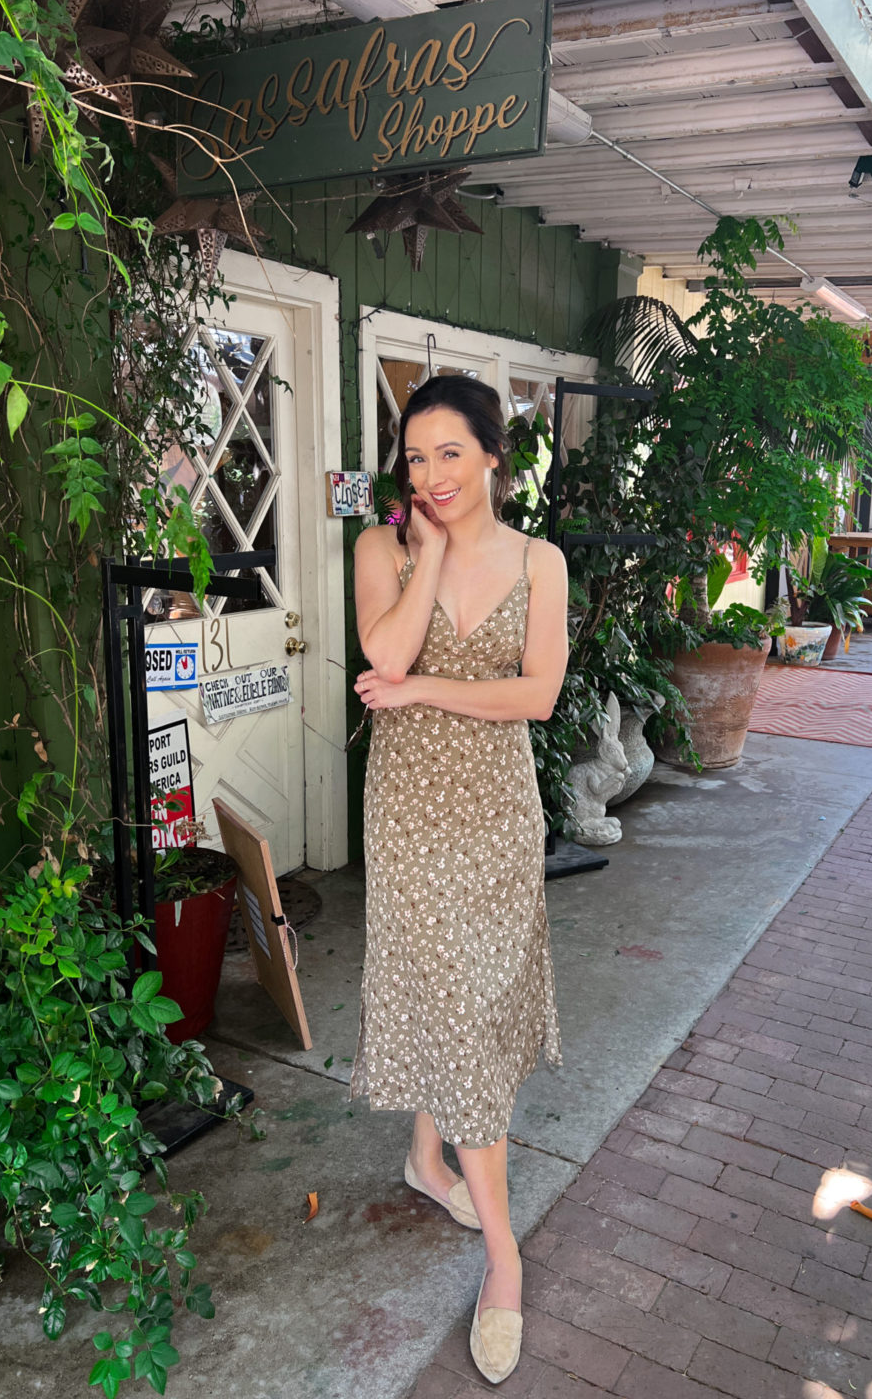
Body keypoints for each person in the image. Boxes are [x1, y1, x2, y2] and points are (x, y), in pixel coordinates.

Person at [349, 373, 568, 1385]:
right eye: (414, 456)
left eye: (450, 453)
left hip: (497, 821)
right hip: (410, 819)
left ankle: (425, 1162)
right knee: (455, 1008)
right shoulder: (383, 549)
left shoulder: (541, 561)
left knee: (475, 1006)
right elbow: (380, 652)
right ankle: (503, 1256)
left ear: (491, 454)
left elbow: (537, 694)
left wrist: (427, 687)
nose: (430, 475)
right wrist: (427, 555)